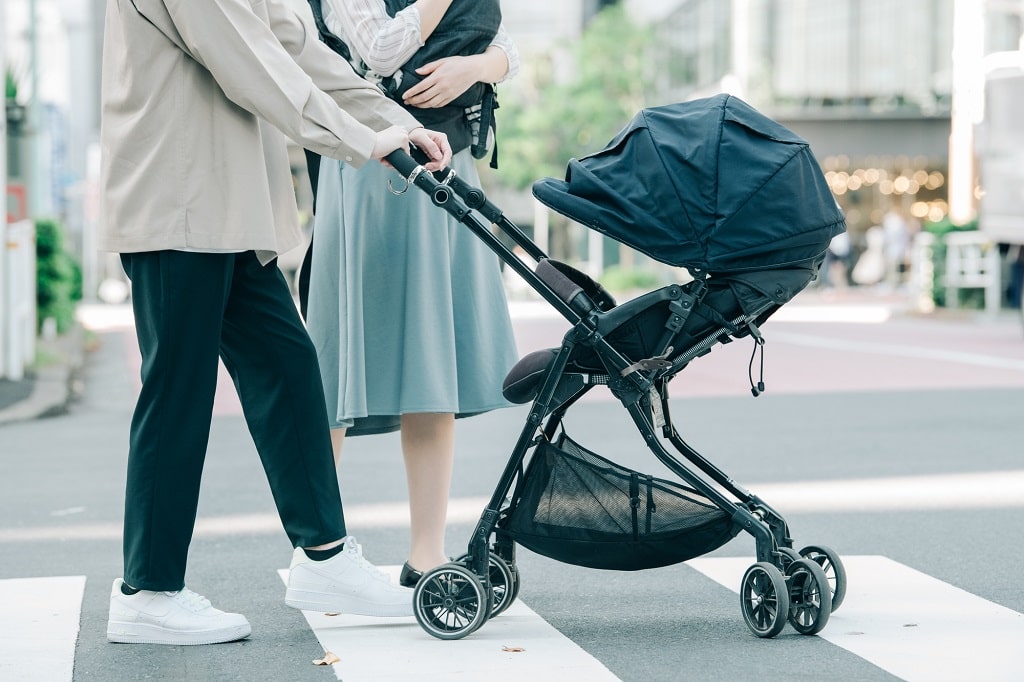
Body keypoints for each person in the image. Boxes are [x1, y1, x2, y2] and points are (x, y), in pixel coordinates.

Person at [99, 0, 451, 646]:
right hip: (179, 199)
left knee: (286, 367)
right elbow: (252, 64)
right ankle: (146, 592)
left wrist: (396, 124)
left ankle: (325, 556)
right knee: (178, 391)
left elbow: (299, 47)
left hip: (232, 206)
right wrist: (363, 141)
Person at [303, 0, 520, 587]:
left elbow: (508, 45)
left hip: (445, 159)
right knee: (333, 363)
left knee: (432, 361)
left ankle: (427, 553)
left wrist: (475, 67)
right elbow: (380, 50)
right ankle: (318, 548)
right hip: (369, 165)